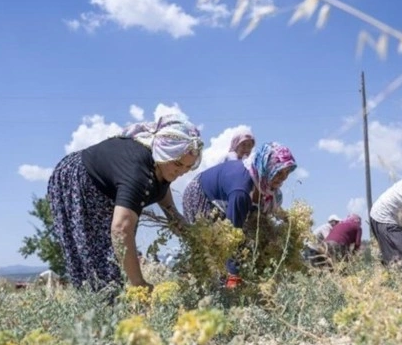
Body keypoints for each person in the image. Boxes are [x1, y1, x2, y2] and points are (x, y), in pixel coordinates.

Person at [48, 114, 203, 291]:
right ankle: (101, 312)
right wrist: (139, 285)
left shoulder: (164, 167)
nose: (181, 171)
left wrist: (182, 224)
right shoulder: (139, 175)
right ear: (163, 154)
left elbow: (166, 198)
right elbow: (120, 230)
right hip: (79, 181)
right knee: (100, 268)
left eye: (187, 167)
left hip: (108, 189)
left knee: (116, 260)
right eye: (178, 164)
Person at [183, 142, 297, 287]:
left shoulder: (264, 186)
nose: (283, 178)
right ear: (267, 167)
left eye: (287, 173)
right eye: (279, 172)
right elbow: (232, 234)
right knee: (210, 251)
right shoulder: (241, 191)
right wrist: (233, 276)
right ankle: (208, 288)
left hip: (228, 201)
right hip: (202, 195)